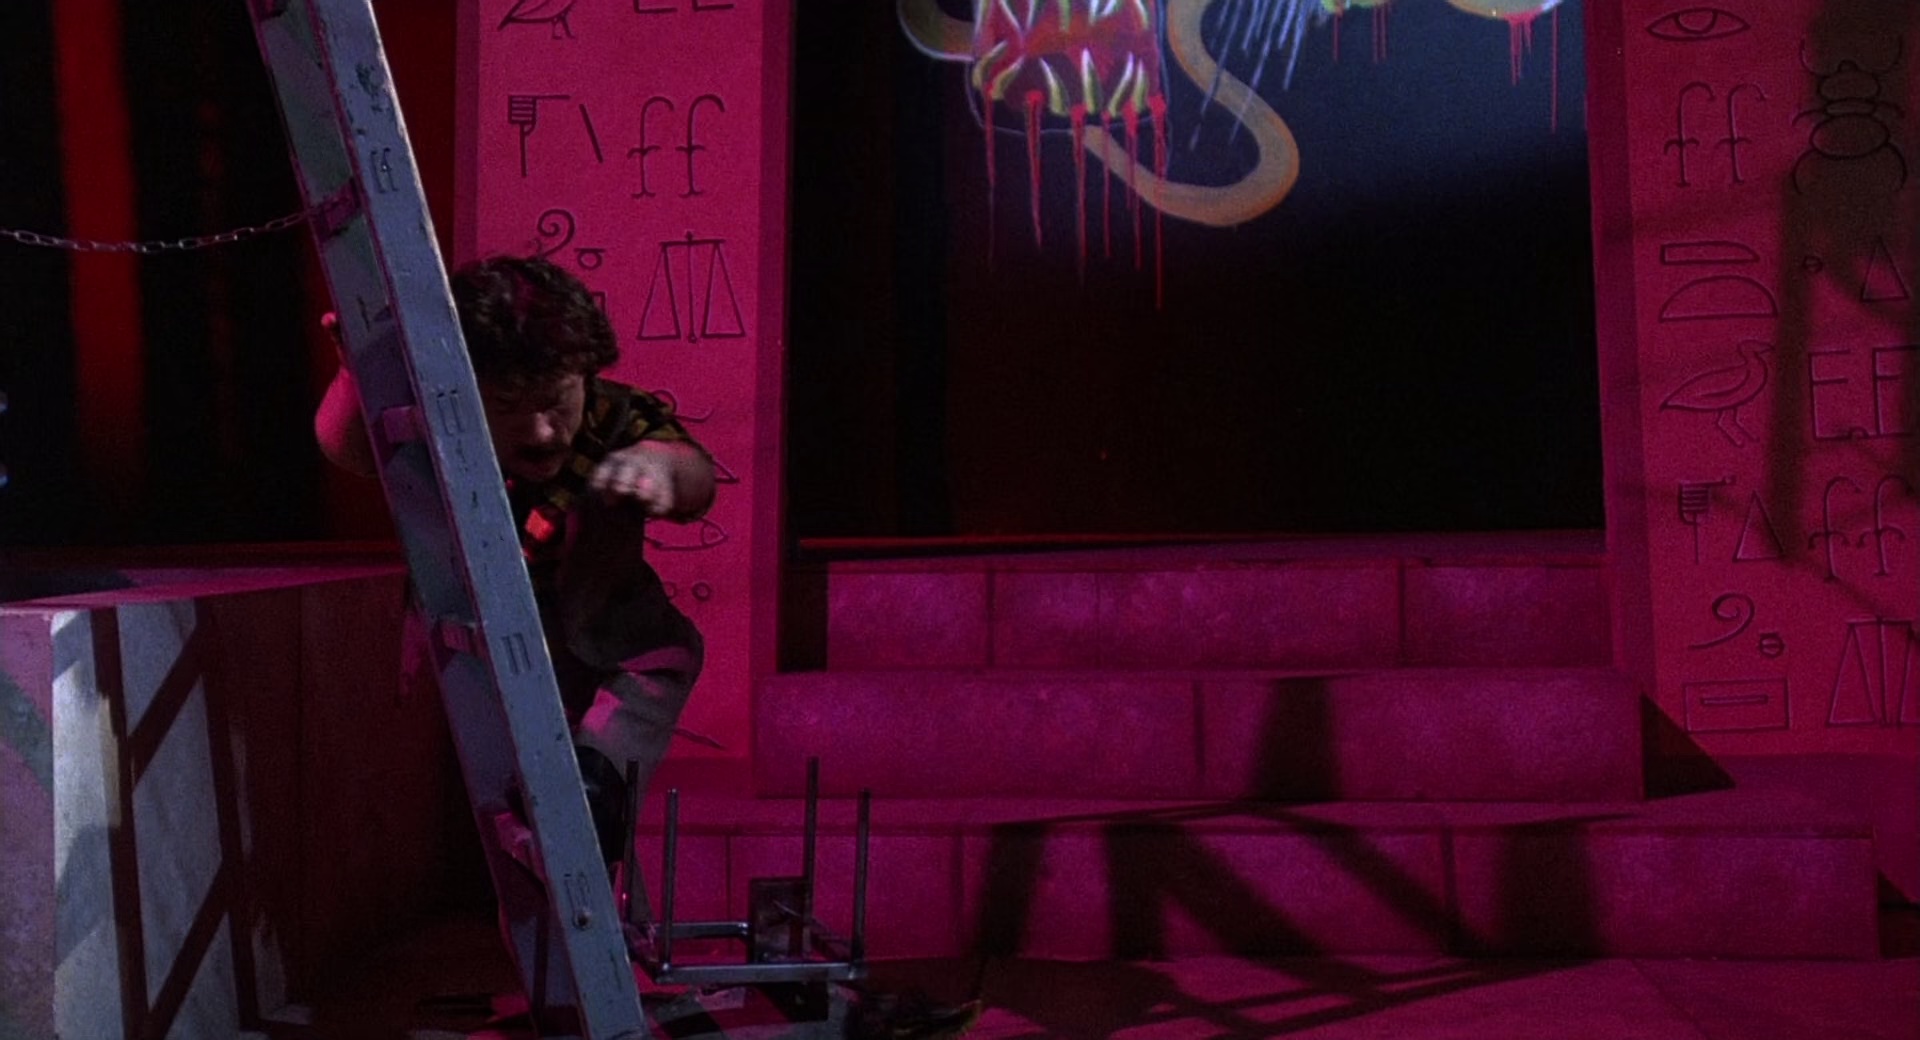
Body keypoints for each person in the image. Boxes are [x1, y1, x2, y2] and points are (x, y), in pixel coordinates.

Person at [313, 254, 714, 886]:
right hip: (483, 653)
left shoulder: (612, 417)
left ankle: (595, 793)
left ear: (584, 374)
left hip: (602, 643)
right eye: (509, 404)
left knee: (645, 697)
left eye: (557, 401)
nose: (543, 429)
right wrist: (358, 374)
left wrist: (660, 470)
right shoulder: (442, 426)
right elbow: (348, 447)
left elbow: (690, 467)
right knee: (507, 830)